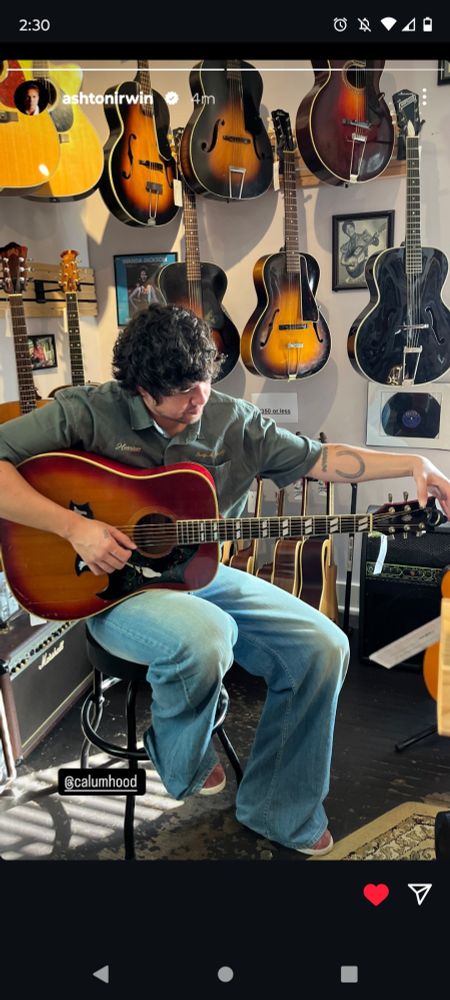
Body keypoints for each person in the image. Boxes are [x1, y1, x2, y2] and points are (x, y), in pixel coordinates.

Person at [0, 303, 449, 856]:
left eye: (204, 382)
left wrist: (413, 465)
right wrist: (74, 527)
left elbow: (320, 459)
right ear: (142, 389)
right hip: (109, 589)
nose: (199, 399)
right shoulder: (89, 413)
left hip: (197, 575)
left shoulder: (231, 420)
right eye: (182, 391)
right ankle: (179, 757)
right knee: (207, 636)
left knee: (325, 646)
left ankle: (279, 808)